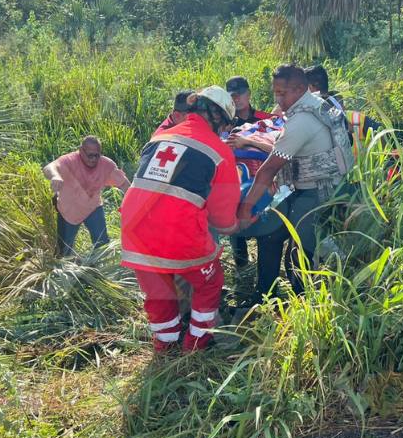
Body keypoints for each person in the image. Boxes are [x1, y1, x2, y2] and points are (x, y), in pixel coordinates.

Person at [121, 86, 240, 353]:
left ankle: (165, 346)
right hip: (179, 232)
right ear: (219, 119)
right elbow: (222, 219)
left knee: (159, 292)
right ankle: (196, 344)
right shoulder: (219, 151)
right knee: (209, 282)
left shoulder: (159, 138)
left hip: (135, 231)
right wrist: (237, 224)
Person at [238, 64, 354, 300]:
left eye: (283, 93)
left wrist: (246, 207)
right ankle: (265, 297)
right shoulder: (318, 105)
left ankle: (302, 303)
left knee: (298, 251)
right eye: (276, 92)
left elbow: (268, 168)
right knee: (271, 235)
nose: (278, 99)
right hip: (320, 188)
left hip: (318, 194)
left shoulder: (302, 120)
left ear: (301, 88)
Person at [43, 136, 130, 257]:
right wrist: (55, 176)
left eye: (97, 155)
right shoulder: (69, 161)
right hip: (68, 212)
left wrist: (134, 203)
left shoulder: (106, 165)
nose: (94, 159)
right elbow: (49, 167)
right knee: (63, 251)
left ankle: (100, 271)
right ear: (81, 150)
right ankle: (64, 272)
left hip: (93, 208)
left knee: (103, 245)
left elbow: (125, 184)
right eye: (90, 155)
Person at [224, 76, 273, 268]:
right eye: (232, 96)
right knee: (235, 229)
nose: (236, 99)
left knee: (266, 229)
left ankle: (263, 269)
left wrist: (250, 142)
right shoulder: (224, 123)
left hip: (263, 182)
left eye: (240, 94)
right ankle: (241, 269)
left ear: (249, 94)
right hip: (234, 182)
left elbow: (280, 149)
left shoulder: (266, 120)